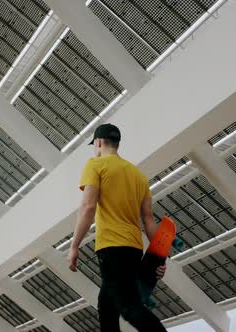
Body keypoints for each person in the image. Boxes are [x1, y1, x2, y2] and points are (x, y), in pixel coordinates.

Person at [68, 123, 167, 332]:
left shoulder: (95, 165)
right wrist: (160, 258)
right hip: (133, 248)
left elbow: (88, 207)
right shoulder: (138, 175)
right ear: (117, 143)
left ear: (99, 142)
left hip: (112, 247)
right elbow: (148, 219)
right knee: (106, 308)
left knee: (129, 307)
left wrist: (74, 245)